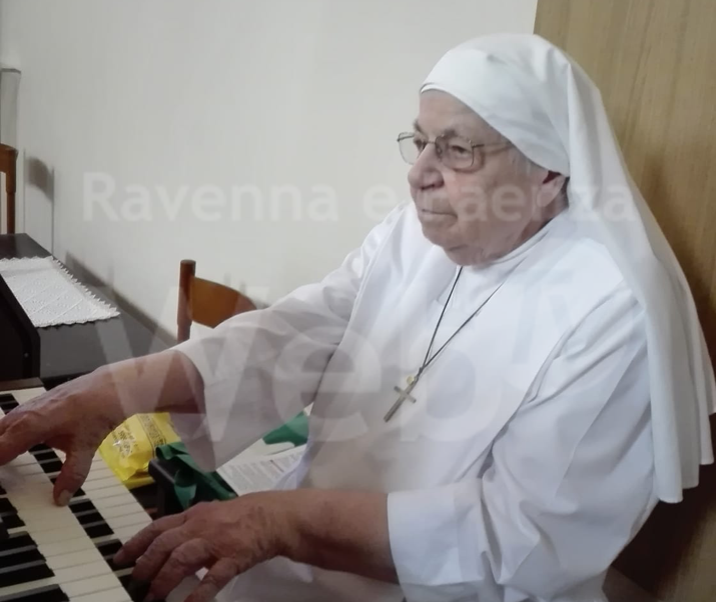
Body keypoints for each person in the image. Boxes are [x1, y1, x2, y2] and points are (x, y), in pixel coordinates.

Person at [0, 34, 714, 602]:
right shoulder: (417, 232)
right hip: (295, 561)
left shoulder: (614, 312)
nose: (419, 173)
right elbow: (300, 331)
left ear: (548, 171)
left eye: (456, 149)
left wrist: (275, 520)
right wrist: (116, 388)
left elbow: (519, 539)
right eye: (420, 141)